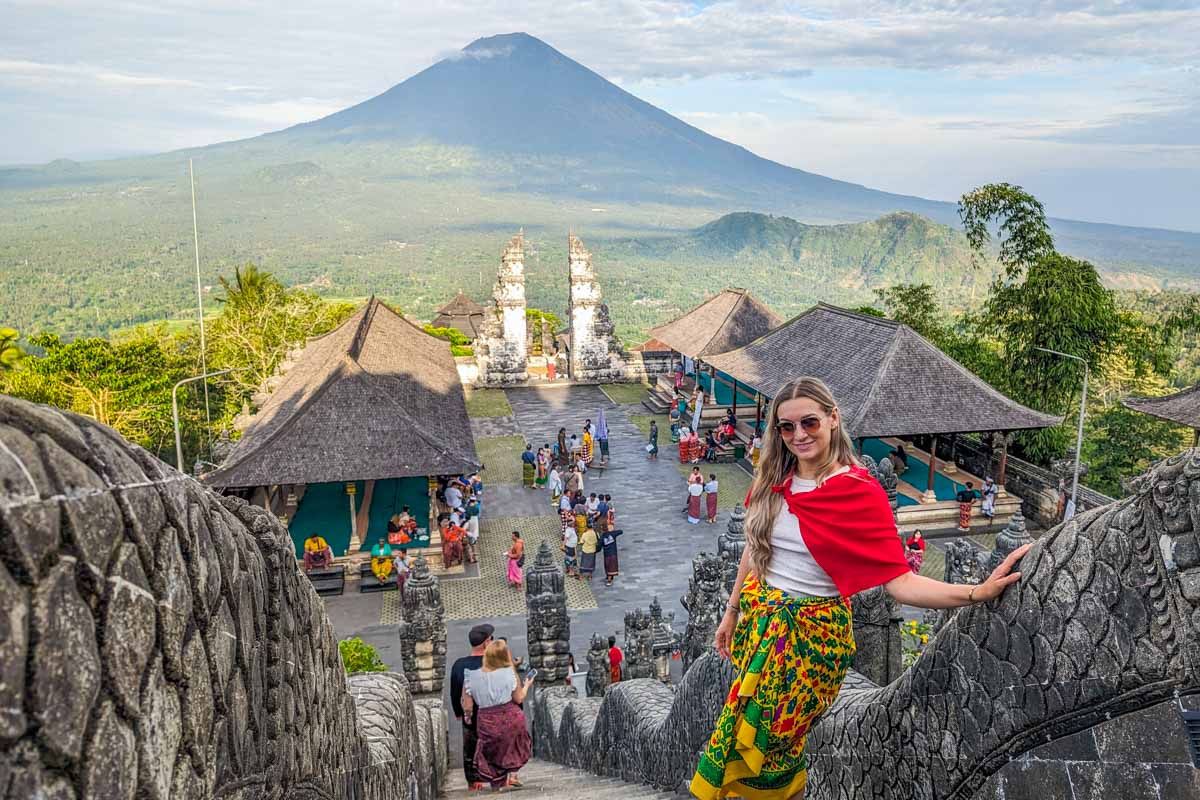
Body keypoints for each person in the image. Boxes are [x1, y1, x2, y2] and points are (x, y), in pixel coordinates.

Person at [691, 377, 1030, 800]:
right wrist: (731, 611)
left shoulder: (858, 491)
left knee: (774, 743)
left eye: (809, 422)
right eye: (787, 427)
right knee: (758, 739)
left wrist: (975, 592)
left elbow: (900, 582)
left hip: (810, 638)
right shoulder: (775, 478)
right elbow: (755, 549)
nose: (798, 435)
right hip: (760, 625)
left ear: (833, 419)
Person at [462, 639, 533, 791]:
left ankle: (496, 784)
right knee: (510, 746)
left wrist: (468, 715)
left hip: (486, 720)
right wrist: (526, 685)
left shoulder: (470, 676)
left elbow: (467, 706)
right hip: (510, 718)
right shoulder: (509, 673)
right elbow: (519, 698)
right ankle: (512, 773)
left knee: (491, 750)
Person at [451, 624, 494, 791]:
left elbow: (455, 691)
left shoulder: (459, 665)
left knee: (470, 747)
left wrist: (458, 712)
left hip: (469, 713)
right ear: (485, 643)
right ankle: (498, 776)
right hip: (491, 711)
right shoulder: (492, 662)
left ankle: (473, 781)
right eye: (491, 639)